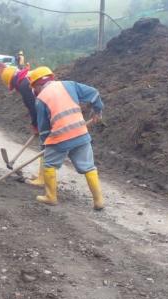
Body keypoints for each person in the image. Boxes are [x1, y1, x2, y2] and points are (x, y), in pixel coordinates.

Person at [27, 66, 105, 211]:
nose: (35, 91)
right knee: (88, 166)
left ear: (37, 85)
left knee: (49, 165)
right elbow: (94, 93)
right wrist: (97, 110)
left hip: (59, 138)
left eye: (34, 88)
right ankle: (98, 200)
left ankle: (51, 197)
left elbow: (44, 129)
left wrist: (45, 146)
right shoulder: (70, 85)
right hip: (81, 133)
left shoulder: (41, 99)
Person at [0, 66, 45, 187]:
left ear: (13, 81)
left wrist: (37, 125)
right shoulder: (27, 76)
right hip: (50, 108)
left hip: (47, 112)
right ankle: (43, 175)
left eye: (13, 87)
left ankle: (43, 178)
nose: (15, 89)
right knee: (45, 145)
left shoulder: (24, 85)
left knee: (45, 145)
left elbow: (33, 107)